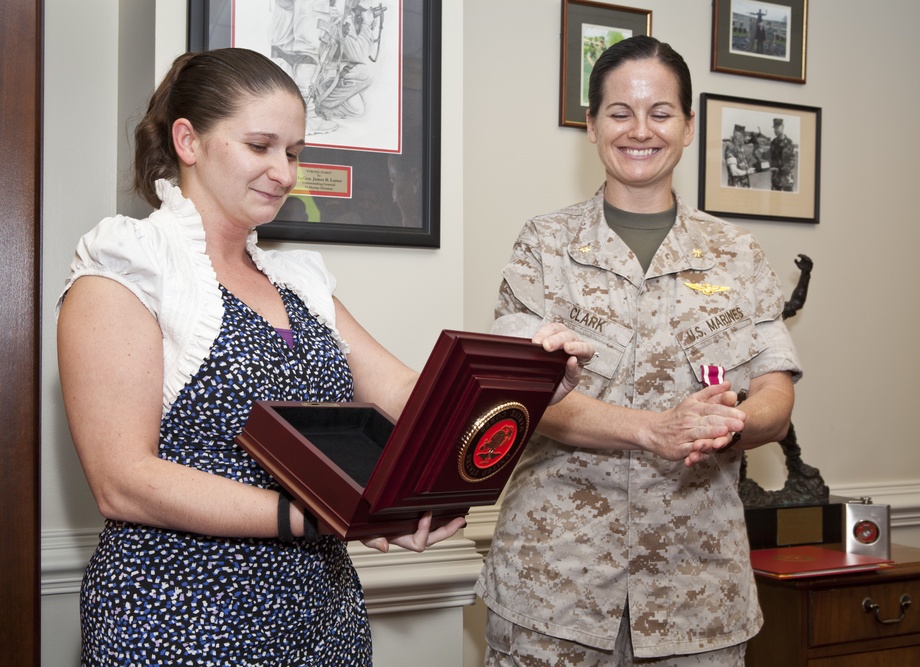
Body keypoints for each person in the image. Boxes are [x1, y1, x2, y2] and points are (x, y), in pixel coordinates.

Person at [56, 48, 591, 666]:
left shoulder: (298, 282)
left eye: (295, 152)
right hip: (181, 614)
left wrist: (527, 384)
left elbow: (416, 401)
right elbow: (125, 484)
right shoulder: (127, 270)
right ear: (188, 141)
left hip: (323, 615)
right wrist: (321, 516)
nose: (284, 172)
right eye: (261, 146)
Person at [476, 35, 801, 666]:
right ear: (592, 125)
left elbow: (776, 394)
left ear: (687, 126)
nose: (640, 130)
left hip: (697, 593)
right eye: (620, 112)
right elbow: (524, 398)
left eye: (661, 112)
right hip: (555, 587)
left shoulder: (738, 253)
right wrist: (657, 430)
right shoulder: (544, 245)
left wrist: (728, 426)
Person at [724, 123, 755, 188]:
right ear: (738, 137)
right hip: (736, 187)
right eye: (743, 136)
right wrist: (747, 172)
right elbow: (734, 171)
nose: (745, 139)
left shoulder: (739, 148)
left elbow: (741, 164)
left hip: (743, 185)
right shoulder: (731, 148)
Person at [770, 118, 796, 192]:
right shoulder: (773, 143)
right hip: (776, 180)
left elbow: (792, 162)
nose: (775, 130)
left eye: (777, 127)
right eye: (774, 128)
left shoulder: (789, 143)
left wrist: (779, 169)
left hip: (787, 180)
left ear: (783, 127)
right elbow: (772, 159)